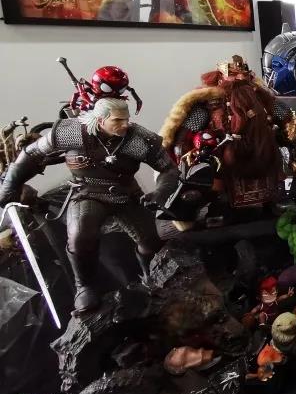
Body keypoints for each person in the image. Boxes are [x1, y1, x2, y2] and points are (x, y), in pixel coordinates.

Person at [0, 98, 177, 312]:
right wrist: (10, 186)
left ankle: (153, 275)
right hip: (87, 193)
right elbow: (31, 154)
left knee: (151, 241)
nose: (125, 124)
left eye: (127, 119)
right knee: (80, 237)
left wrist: (160, 192)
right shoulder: (70, 132)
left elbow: (168, 168)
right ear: (100, 120)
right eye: (117, 120)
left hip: (126, 193)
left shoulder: (137, 137)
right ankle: (84, 287)